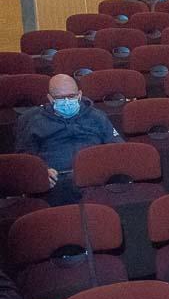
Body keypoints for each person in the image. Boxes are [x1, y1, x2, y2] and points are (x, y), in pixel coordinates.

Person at [15, 74, 123, 206]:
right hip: (55, 183)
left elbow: (117, 147)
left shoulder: (96, 116)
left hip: (94, 179)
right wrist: (40, 171)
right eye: (60, 98)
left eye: (71, 96)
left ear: (79, 95)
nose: (66, 101)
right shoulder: (33, 121)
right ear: (50, 98)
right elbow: (25, 157)